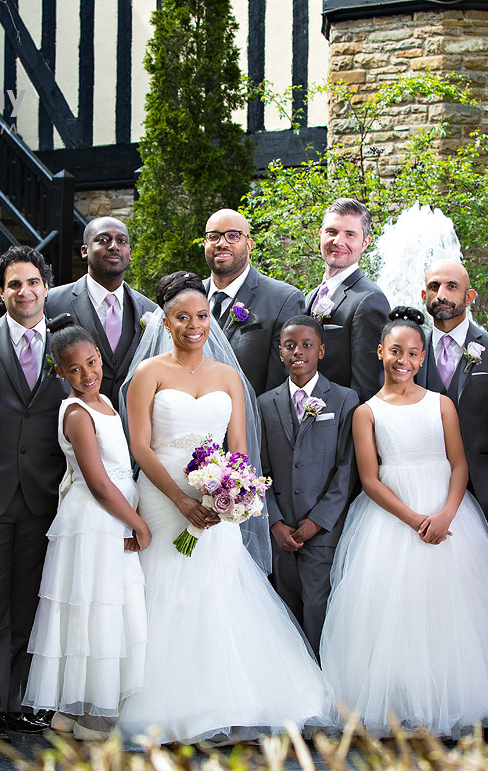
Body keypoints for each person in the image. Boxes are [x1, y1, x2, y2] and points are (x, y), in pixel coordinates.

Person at [117, 271, 334, 744]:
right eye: (182, 317)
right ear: (166, 321)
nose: (194, 325)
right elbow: (139, 445)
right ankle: (159, 701)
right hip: (163, 498)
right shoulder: (148, 374)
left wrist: (227, 495)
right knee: (165, 592)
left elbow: (239, 448)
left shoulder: (229, 377)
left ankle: (224, 699)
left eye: (201, 315)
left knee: (215, 592)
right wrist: (179, 498)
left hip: (216, 505)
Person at [320, 307, 488, 738]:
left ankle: (456, 702)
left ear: (422, 356)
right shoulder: (367, 413)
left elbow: (459, 465)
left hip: (448, 514)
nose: (402, 360)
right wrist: (414, 520)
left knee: (452, 610)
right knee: (395, 613)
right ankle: (404, 705)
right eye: (394, 351)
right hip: (392, 520)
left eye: (411, 352)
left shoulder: (441, 405)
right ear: (380, 351)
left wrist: (445, 515)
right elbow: (370, 479)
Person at [22, 314, 150, 741]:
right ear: (59, 371)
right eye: (73, 369)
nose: (87, 374)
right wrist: (138, 523)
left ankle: (70, 715)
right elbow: (97, 482)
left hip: (111, 514)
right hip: (97, 520)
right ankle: (91, 714)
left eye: (92, 362)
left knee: (102, 608)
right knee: (97, 610)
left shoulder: (107, 402)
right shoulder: (77, 414)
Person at [0, 246, 69, 742]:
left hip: (45, 493)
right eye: (13, 284)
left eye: (32, 283)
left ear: (45, 287)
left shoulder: (68, 343)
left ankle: (24, 702)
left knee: (32, 603)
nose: (23, 292)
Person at [258, 315, 359, 660]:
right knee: (285, 607)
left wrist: (317, 521)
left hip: (322, 530)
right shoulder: (265, 403)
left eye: (306, 345)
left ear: (321, 350)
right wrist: (274, 522)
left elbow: (348, 469)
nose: (298, 352)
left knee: (318, 605)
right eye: (290, 346)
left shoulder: (345, 400)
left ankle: (323, 684)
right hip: (282, 528)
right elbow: (261, 469)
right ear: (280, 352)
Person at [413, 259, 488, 570]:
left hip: (485, 488)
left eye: (452, 287)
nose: (442, 294)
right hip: (426, 489)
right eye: (434, 287)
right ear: (424, 295)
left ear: (470, 296)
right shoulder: (411, 350)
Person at [44, 217, 158, 406]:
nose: (114, 246)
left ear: (130, 253)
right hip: (71, 424)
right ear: (84, 250)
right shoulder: (52, 303)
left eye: (121, 241)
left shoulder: (150, 311)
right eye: (103, 240)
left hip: (130, 427)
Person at [202, 208, 304, 396]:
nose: (222, 243)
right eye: (214, 236)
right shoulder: (192, 296)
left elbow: (280, 389)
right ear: (205, 243)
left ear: (249, 245)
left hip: (251, 421)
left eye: (233, 236)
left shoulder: (282, 300)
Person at [304, 198, 391, 403]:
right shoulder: (310, 296)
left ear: (365, 242)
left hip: (339, 426)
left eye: (350, 234)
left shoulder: (369, 300)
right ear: (321, 234)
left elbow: (367, 388)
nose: (338, 242)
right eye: (332, 232)